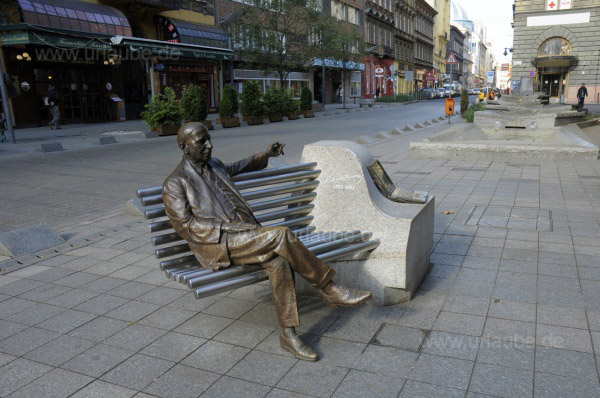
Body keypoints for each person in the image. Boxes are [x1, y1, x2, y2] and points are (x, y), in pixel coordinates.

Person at [162, 122, 372, 361]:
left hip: (249, 235)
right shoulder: (175, 183)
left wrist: (266, 154)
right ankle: (329, 288)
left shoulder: (215, 164)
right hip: (220, 243)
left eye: (209, 139)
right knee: (281, 234)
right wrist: (225, 226)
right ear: (184, 146)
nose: (209, 145)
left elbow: (240, 166)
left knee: (278, 261)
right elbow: (185, 226)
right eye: (202, 142)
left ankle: (288, 335)